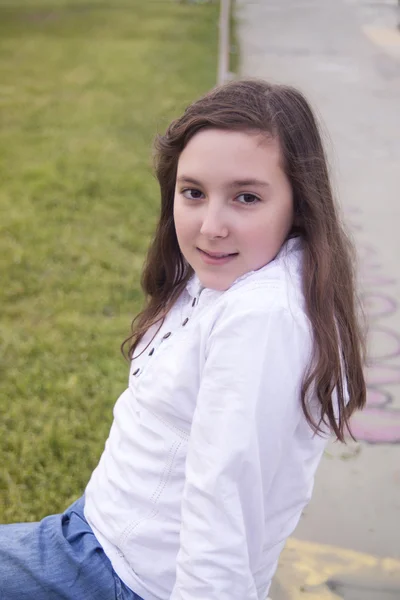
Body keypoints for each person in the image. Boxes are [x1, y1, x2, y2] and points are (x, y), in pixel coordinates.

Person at [0, 78, 366, 600]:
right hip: (93, 537)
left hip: (116, 578)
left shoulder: (261, 319)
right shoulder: (233, 271)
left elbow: (223, 501)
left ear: (300, 204)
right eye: (193, 192)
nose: (210, 226)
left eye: (246, 197)